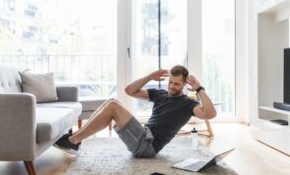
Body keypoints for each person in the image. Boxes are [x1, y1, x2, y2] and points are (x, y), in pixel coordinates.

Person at [54, 65, 217, 157]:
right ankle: (76, 138)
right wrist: (150, 77)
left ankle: (73, 141)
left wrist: (200, 89)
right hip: (143, 135)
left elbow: (210, 114)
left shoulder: (187, 104)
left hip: (149, 146)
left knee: (113, 106)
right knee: (112, 101)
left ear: (184, 85)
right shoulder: (160, 94)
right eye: (170, 82)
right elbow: (129, 90)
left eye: (176, 84)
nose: (172, 87)